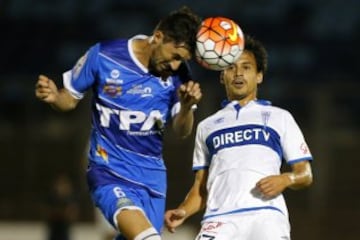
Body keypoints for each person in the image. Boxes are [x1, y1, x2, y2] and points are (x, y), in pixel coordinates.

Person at [35, 6, 202, 240]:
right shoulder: (104, 56)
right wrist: (55, 97)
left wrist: (185, 107)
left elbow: (182, 131)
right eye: (175, 56)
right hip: (108, 172)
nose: (176, 65)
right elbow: (69, 100)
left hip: (152, 180)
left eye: (182, 60)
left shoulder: (180, 74)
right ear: (159, 37)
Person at [164, 35, 313, 240]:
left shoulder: (281, 117)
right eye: (231, 67)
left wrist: (286, 179)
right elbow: (201, 187)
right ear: (222, 75)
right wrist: (183, 210)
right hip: (219, 220)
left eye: (246, 67)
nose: (238, 73)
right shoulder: (206, 126)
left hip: (266, 217)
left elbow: (305, 173)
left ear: (259, 76)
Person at [44, 174, 78, 240]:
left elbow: (72, 215)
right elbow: (47, 214)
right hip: (54, 233)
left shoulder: (69, 200)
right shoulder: (51, 199)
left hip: (64, 233)